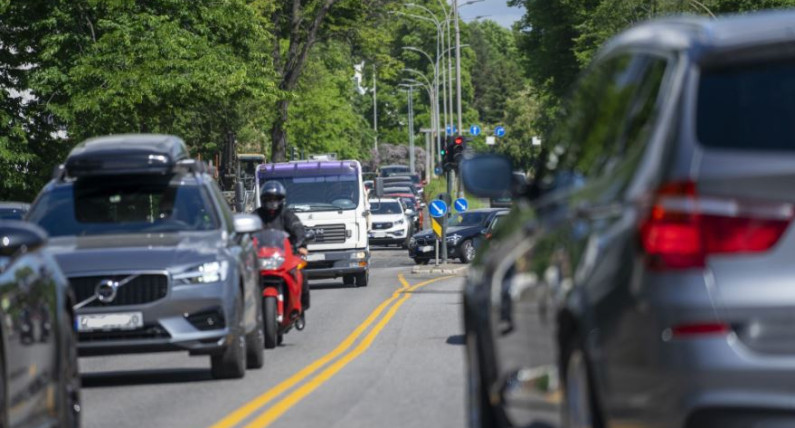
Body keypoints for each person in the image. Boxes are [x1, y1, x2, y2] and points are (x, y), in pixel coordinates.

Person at [255, 180, 310, 310]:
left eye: (275, 199)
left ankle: (301, 307)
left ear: (281, 199)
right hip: (260, 258)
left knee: (300, 273)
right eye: (269, 199)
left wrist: (300, 244)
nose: (272, 202)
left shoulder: (287, 215)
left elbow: (298, 229)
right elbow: (245, 234)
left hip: (285, 256)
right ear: (263, 199)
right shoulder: (256, 216)